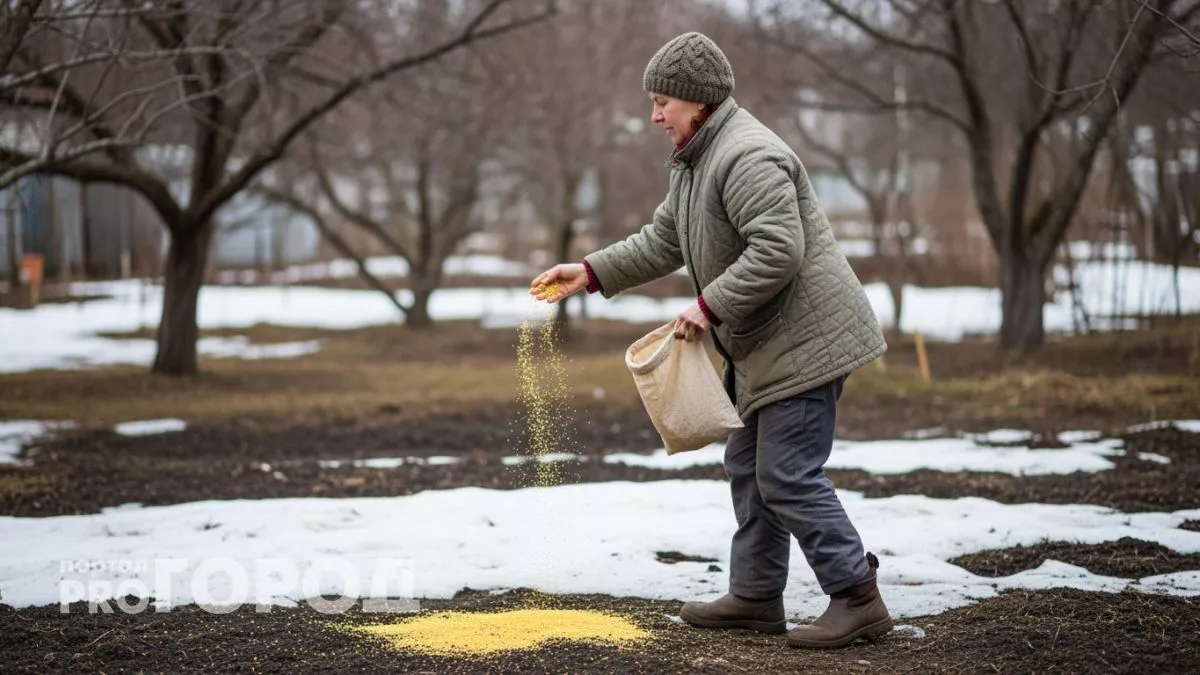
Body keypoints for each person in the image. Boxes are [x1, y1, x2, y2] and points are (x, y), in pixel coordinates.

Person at [530, 31, 891, 649]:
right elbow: (664, 240)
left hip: (806, 343)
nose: (654, 116)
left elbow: (780, 249)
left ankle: (858, 598)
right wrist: (589, 272)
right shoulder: (698, 161)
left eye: (662, 102)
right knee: (749, 467)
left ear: (697, 102)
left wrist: (708, 305)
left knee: (787, 474)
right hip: (766, 344)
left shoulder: (746, 155)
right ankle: (755, 596)